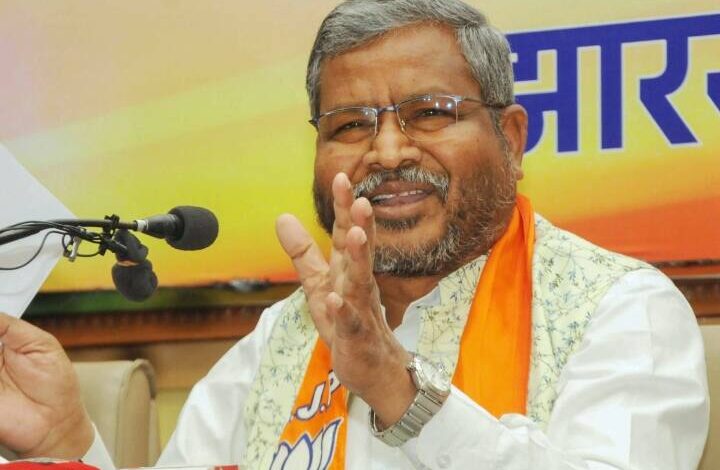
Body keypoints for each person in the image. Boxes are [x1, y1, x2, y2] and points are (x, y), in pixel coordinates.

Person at [0, 0, 710, 468]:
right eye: (350, 125)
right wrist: (67, 445)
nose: (389, 151)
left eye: (430, 113)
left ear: (512, 138)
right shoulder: (284, 334)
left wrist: (399, 390)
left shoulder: (619, 309)